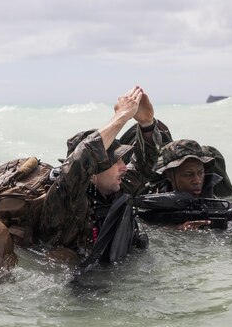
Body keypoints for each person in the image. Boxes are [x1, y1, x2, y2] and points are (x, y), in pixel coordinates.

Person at [14, 86, 165, 267]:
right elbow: (82, 158)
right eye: (115, 161)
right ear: (92, 172)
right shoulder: (65, 200)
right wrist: (121, 116)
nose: (124, 167)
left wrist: (147, 124)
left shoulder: (114, 189)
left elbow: (145, 166)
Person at [155, 139, 232, 232]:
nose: (197, 180)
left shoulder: (216, 205)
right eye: (188, 175)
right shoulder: (155, 203)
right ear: (169, 175)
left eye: (200, 173)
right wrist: (176, 231)